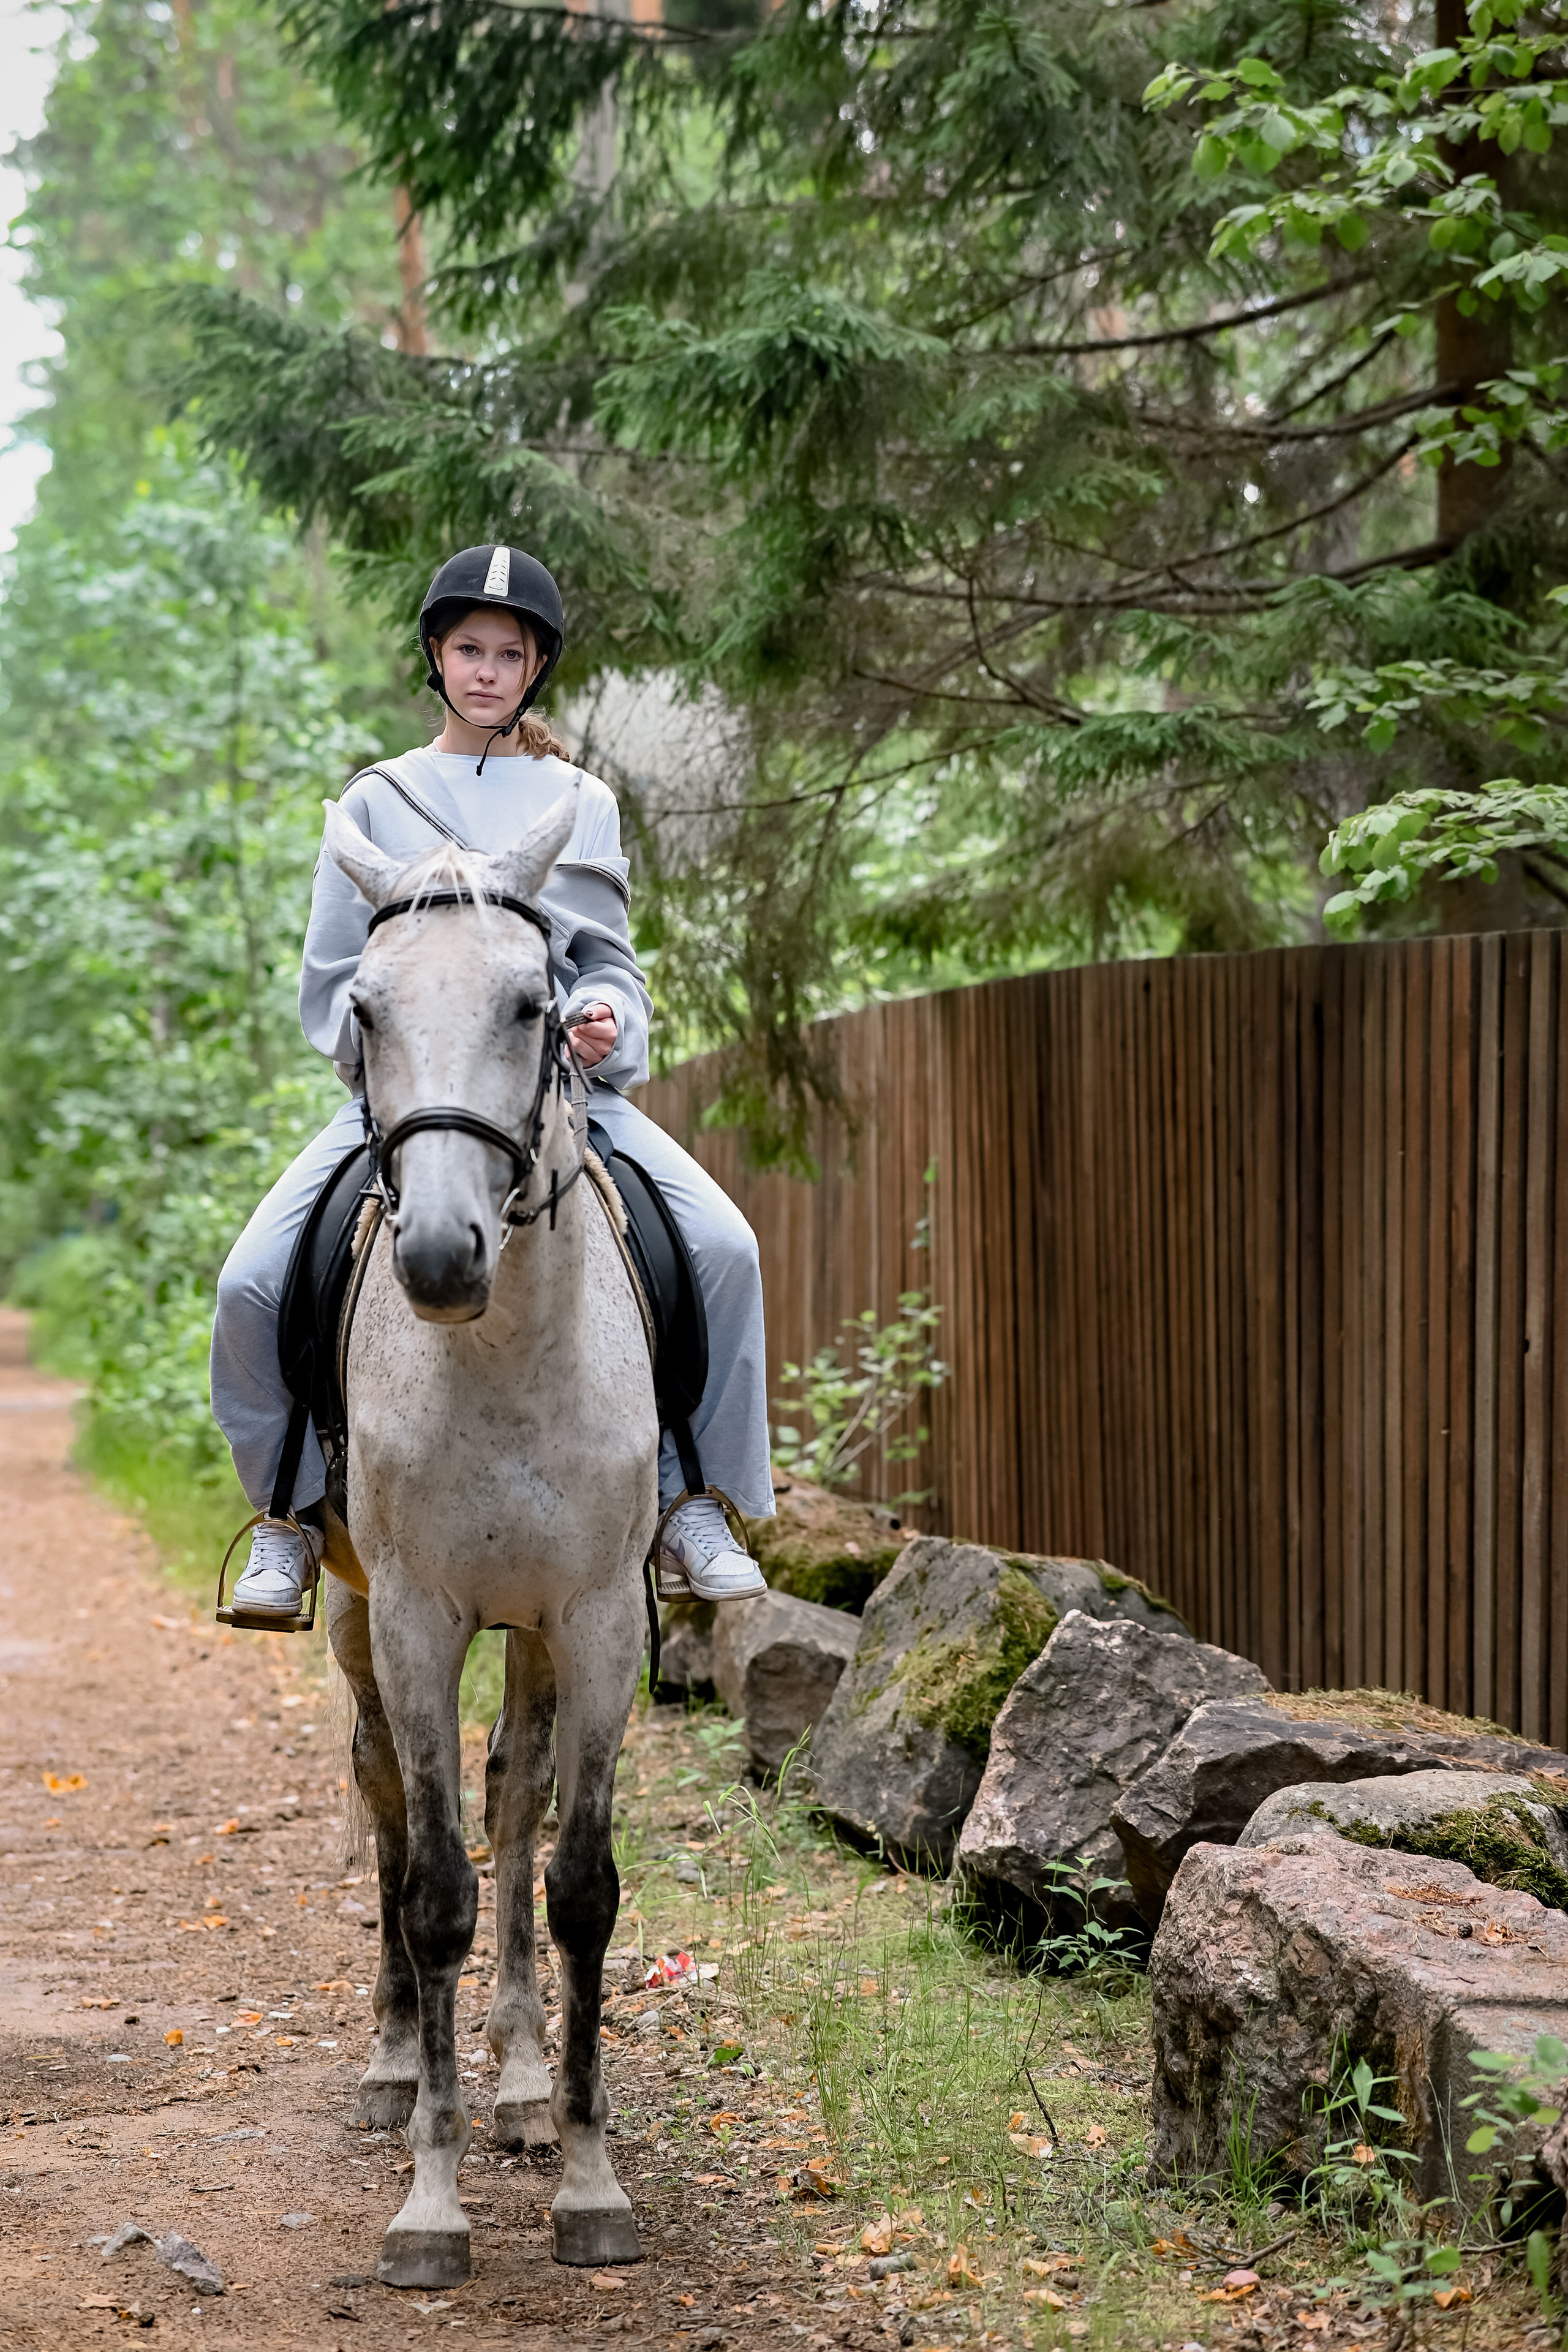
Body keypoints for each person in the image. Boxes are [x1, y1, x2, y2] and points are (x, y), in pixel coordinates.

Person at [209, 543, 771, 1621]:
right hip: (409, 1106)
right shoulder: (375, 802)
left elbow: (609, 967)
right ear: (437, 655)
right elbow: (334, 984)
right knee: (250, 1284)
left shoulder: (583, 803)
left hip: (564, 1104)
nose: (485, 669)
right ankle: (287, 1512)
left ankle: (692, 1495)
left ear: (536, 669)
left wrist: (614, 1023)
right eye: (468, 648)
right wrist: (395, 1058)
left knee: (725, 1249)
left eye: (508, 653)